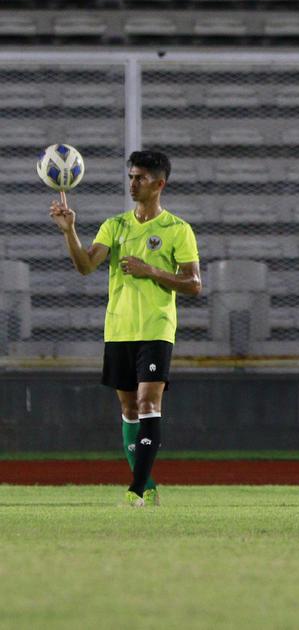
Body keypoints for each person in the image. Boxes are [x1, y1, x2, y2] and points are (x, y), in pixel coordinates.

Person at [49, 150, 201, 507]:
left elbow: (194, 283)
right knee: (130, 410)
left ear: (159, 184)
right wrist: (70, 231)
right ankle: (147, 486)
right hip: (119, 329)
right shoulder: (115, 226)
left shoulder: (178, 229)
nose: (133, 183)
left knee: (149, 402)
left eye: (141, 178)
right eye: (131, 176)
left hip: (156, 328)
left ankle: (134, 490)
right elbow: (86, 266)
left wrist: (152, 271)